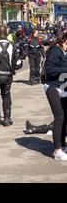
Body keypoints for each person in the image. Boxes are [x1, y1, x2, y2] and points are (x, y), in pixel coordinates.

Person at [44, 33, 67, 161]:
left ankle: (62, 146)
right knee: (59, 117)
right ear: (64, 40)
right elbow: (50, 70)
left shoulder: (63, 51)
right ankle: (57, 151)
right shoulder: (54, 51)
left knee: (65, 117)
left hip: (63, 87)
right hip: (52, 87)